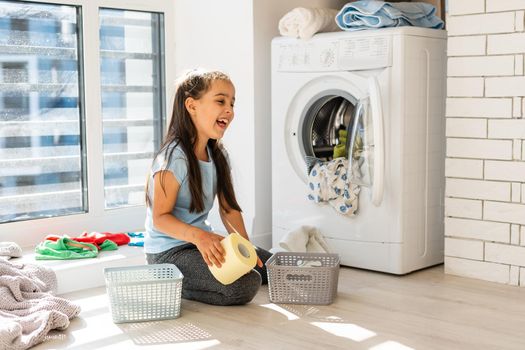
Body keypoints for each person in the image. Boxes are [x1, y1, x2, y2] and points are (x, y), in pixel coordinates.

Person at [144, 69, 272, 306]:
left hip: (201, 244)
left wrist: (246, 249)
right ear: (191, 106)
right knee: (245, 284)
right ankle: (174, 283)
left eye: (232, 103)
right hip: (170, 253)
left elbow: (229, 210)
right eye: (221, 101)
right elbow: (160, 218)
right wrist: (200, 237)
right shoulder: (173, 159)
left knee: (273, 266)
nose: (230, 110)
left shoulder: (217, 155)